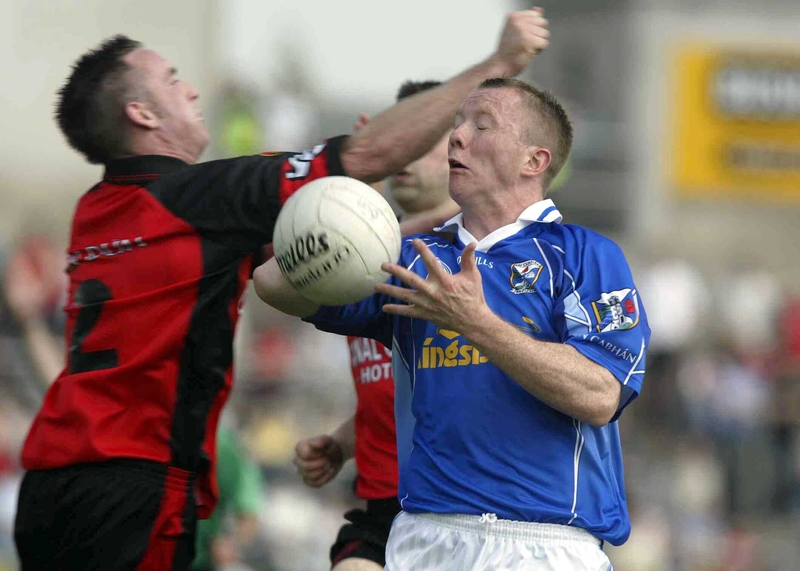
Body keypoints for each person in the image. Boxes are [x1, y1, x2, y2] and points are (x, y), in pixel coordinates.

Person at [13, 10, 550, 571]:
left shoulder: (95, 212)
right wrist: (499, 63)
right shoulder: (203, 198)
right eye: (171, 80)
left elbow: (315, 249)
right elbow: (363, 157)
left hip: (50, 479)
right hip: (132, 485)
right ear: (141, 113)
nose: (190, 89)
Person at [254, 77, 651, 570]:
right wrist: (347, 220)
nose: (457, 137)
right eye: (457, 124)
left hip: (544, 544)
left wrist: (475, 322)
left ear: (534, 161)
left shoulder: (583, 254)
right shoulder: (412, 258)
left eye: (481, 125)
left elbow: (600, 395)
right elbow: (272, 282)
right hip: (426, 539)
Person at [293, 80, 456, 571]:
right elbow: (391, 389)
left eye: (419, 141)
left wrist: (362, 211)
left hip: (454, 512)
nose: (402, 154)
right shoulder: (358, 259)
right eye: (396, 141)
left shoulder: (473, 252)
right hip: (382, 504)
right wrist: (343, 443)